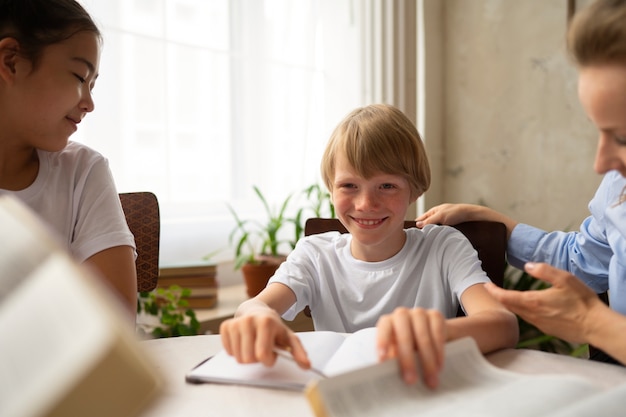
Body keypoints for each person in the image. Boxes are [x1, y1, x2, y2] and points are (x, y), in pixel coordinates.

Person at [220, 103, 518, 389]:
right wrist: (258, 318)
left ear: (414, 190)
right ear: (331, 188)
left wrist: (433, 334)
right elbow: (254, 306)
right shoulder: (315, 253)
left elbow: (503, 325)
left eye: (387, 186)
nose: (366, 204)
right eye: (349, 186)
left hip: (423, 396)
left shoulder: (443, 247)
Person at [415, 0, 626, 366]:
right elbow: (583, 261)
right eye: (600, 132)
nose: (601, 163)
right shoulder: (617, 184)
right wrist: (498, 224)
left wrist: (594, 325)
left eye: (622, 137)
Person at [0, 0, 137, 316]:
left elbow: (115, 321)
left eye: (93, 85)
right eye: (79, 76)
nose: (89, 103)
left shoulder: (83, 171)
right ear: (11, 62)